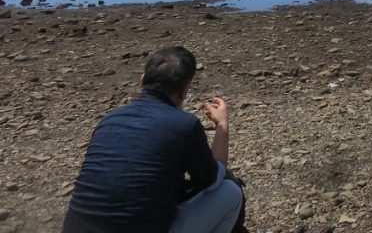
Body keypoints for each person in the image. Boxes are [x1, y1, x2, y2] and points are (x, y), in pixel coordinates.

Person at [63, 45, 244, 233]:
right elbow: (212, 182)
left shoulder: (109, 120)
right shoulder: (184, 125)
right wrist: (222, 126)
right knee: (230, 193)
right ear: (184, 91)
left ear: (142, 81)